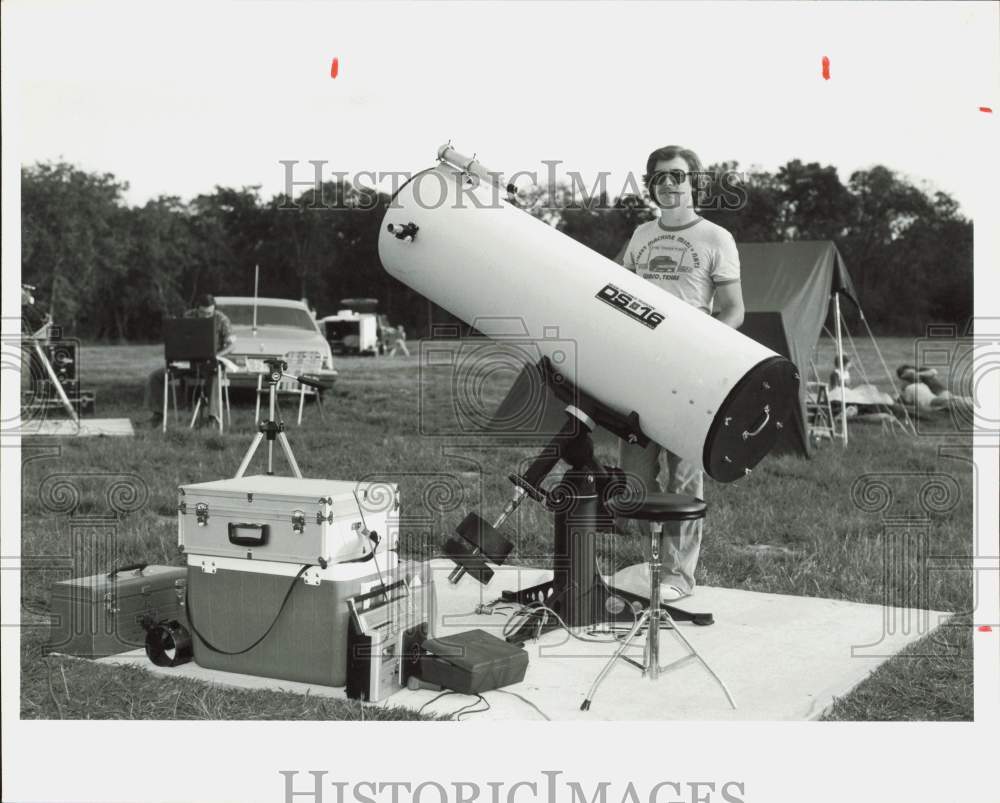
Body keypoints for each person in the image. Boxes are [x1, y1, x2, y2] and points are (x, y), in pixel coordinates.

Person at [611, 145, 745, 602]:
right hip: (639, 367)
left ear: (695, 182)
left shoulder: (716, 238)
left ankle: (677, 576)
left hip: (689, 371)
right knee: (635, 476)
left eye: (676, 177)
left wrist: (701, 349)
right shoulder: (641, 234)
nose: (667, 185)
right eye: (659, 178)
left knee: (684, 477)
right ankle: (650, 563)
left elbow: (734, 311)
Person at [144, 293, 235, 427]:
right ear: (197, 309)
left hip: (211, 364)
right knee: (155, 377)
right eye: (203, 313)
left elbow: (232, 344)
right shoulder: (188, 316)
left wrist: (218, 355)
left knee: (214, 377)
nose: (206, 316)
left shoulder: (222, 319)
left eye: (209, 313)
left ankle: (212, 418)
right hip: (187, 363)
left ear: (214, 309)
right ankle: (158, 414)